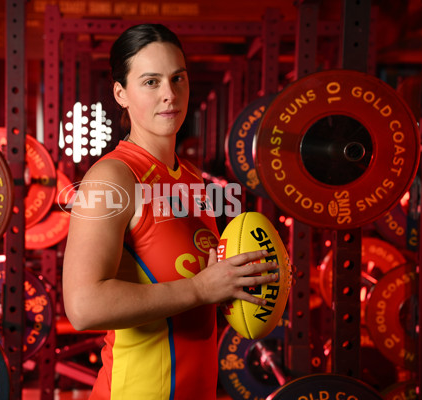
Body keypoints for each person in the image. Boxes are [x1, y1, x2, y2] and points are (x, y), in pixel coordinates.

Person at [62, 23, 279, 400]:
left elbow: (201, 290)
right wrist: (199, 289)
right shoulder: (112, 177)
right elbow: (83, 306)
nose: (170, 95)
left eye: (177, 78)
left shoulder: (192, 178)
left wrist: (242, 280)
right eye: (151, 82)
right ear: (121, 93)